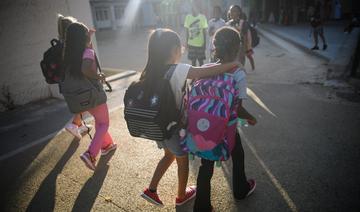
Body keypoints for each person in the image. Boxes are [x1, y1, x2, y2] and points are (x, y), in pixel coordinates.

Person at [139, 28, 242, 207]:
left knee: (168, 156)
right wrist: (232, 65)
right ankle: (181, 196)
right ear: (173, 50)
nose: (181, 51)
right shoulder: (177, 70)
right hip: (174, 128)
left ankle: (152, 189)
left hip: (158, 128)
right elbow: (201, 73)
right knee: (182, 161)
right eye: (180, 48)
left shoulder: (150, 71)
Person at [193, 27, 257, 212]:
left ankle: (201, 206)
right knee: (238, 153)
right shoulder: (238, 73)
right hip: (226, 128)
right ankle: (241, 189)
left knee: (206, 163)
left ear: (215, 46)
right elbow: (237, 108)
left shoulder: (207, 68)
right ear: (238, 47)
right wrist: (251, 118)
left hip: (205, 126)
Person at [62, 22, 117, 170]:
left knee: (99, 121)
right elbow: (86, 68)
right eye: (87, 33)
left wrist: (89, 37)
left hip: (82, 97)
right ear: (83, 38)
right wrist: (98, 76)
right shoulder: (88, 53)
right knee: (104, 123)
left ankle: (107, 145)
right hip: (93, 94)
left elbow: (81, 64)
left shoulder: (69, 55)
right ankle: (90, 154)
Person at [57, 14, 92, 140]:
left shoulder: (60, 43)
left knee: (80, 103)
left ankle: (80, 125)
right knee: (85, 102)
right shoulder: (71, 45)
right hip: (75, 80)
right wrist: (88, 40)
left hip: (66, 81)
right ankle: (74, 124)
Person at [226, 5, 255, 70]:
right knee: (231, 61)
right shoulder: (227, 24)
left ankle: (241, 73)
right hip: (230, 46)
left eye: (234, 11)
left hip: (240, 46)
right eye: (231, 11)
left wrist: (244, 49)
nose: (232, 12)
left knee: (240, 61)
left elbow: (245, 36)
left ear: (239, 13)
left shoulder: (243, 23)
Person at [184, 0, 208, 66]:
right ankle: (195, 76)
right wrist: (187, 43)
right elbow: (187, 31)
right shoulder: (188, 17)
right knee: (193, 62)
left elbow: (204, 32)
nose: (194, 8)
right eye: (193, 6)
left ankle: (202, 76)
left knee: (201, 62)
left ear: (199, 8)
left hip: (200, 44)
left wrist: (204, 44)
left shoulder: (203, 17)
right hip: (191, 44)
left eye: (197, 6)